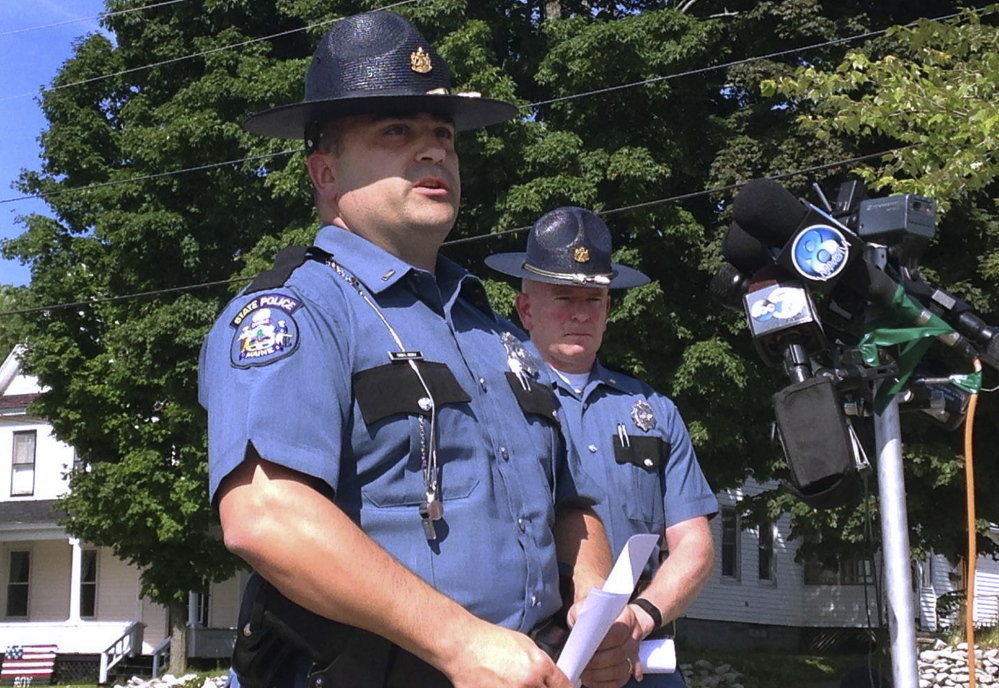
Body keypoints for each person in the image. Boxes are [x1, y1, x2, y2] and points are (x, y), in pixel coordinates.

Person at [198, 14, 627, 688]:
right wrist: (458, 643)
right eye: (396, 131)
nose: (433, 153)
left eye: (443, 137)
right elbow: (265, 516)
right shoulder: (297, 311)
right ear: (324, 171)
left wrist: (598, 613)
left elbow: (573, 505)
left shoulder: (497, 331)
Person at [486, 206, 719, 688]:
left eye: (592, 298)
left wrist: (640, 617)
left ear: (609, 308)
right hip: (525, 660)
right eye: (563, 296)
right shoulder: (490, 399)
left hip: (631, 663)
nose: (578, 312)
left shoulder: (652, 410)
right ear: (525, 308)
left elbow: (694, 544)